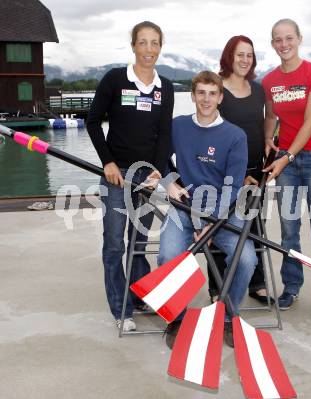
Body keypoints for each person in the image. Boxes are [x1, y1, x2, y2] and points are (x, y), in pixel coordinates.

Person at [158, 71, 258, 348]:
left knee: (247, 259)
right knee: (168, 255)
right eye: (201, 92)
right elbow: (158, 158)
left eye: (212, 93)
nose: (206, 99)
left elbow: (233, 187)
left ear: (220, 97)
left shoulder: (235, 136)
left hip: (223, 212)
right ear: (192, 96)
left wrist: (210, 224)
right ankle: (176, 319)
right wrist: (168, 183)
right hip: (183, 206)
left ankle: (226, 315)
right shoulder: (177, 126)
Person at [87, 21, 174, 332]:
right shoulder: (114, 79)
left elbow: (164, 133)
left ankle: (138, 294)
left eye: (154, 43)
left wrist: (158, 170)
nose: (149, 49)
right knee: (114, 243)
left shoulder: (165, 87)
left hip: (146, 177)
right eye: (143, 42)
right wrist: (107, 163)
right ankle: (121, 309)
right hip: (116, 176)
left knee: (138, 242)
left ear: (160, 47)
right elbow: (93, 122)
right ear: (134, 45)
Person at [262, 19, 311, 327]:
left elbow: (310, 122)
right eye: (277, 39)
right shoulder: (269, 81)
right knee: (289, 229)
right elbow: (271, 115)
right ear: (273, 44)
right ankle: (291, 287)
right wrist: (269, 137)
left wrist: (289, 155)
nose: (284, 44)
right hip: (286, 161)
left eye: (288, 38)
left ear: (299, 39)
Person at [206, 35, 273, 305]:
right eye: (239, 54)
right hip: (224, 172)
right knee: (221, 227)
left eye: (249, 55)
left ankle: (257, 283)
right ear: (229, 57)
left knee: (254, 225)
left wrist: (269, 138)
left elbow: (269, 117)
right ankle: (217, 287)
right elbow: (208, 125)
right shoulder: (217, 87)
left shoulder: (258, 90)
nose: (245, 60)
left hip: (256, 170)